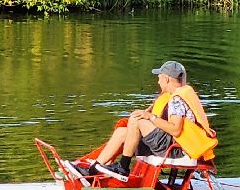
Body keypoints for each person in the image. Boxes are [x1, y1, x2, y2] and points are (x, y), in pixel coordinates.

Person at [83, 61, 218, 179]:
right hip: (172, 143)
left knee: (138, 121)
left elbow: (176, 130)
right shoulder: (181, 93)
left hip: (177, 149)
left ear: (166, 79)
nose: (158, 82)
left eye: (159, 78)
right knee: (122, 132)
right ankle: (93, 169)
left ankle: (123, 167)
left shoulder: (177, 99)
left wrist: (150, 117)